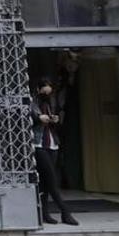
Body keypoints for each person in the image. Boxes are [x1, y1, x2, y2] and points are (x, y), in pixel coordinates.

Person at [31, 78, 78, 226]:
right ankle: (65, 211)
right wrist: (39, 118)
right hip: (39, 144)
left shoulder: (51, 103)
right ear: (38, 89)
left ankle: (45, 213)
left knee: (46, 181)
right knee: (52, 179)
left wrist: (55, 119)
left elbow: (56, 121)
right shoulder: (32, 102)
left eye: (49, 91)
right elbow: (27, 117)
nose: (47, 94)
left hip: (52, 143)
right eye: (44, 91)